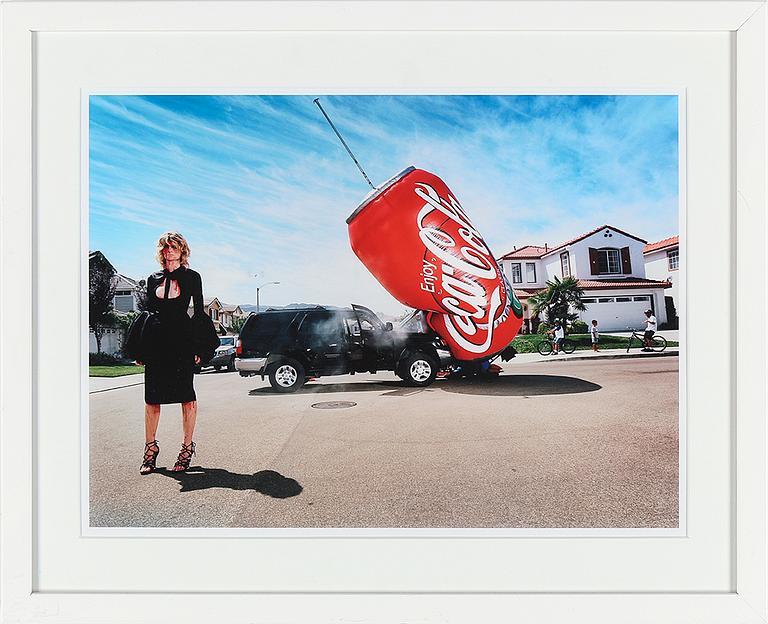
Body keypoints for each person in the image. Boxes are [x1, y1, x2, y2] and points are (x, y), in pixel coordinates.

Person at [138, 232, 206, 475]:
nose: (169, 251)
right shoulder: (152, 278)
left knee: (186, 396)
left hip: (182, 342)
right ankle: (150, 450)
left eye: (174, 247)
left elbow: (199, 312)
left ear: (182, 250)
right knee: (152, 399)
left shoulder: (192, 278)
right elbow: (147, 314)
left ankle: (186, 449)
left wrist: (199, 346)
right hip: (157, 343)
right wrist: (141, 347)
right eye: (165, 247)